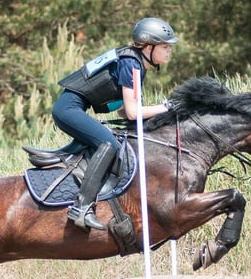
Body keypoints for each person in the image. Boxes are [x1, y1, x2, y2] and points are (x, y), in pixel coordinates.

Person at [51, 17, 179, 230]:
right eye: (165, 46)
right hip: (68, 109)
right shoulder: (132, 64)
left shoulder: (134, 62)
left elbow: (123, 108)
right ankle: (81, 207)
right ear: (148, 47)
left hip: (73, 108)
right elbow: (131, 112)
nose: (169, 51)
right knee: (109, 144)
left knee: (111, 138)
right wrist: (167, 107)